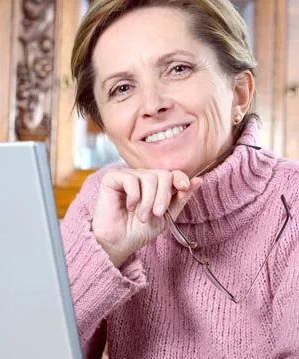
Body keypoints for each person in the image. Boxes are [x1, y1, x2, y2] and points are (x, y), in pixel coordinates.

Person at [61, 0, 299, 358]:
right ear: (105, 125)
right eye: (122, 88)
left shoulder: (292, 202)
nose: (152, 104)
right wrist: (104, 253)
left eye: (178, 69)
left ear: (239, 94)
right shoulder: (100, 203)